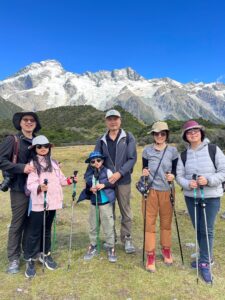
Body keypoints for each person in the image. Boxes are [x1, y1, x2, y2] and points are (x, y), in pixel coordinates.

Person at [176, 120, 225, 284]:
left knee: (207, 229)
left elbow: (223, 171)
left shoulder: (213, 150)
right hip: (192, 196)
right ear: (185, 136)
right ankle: (205, 253)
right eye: (189, 132)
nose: (193, 134)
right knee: (198, 227)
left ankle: (205, 261)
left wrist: (209, 180)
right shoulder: (183, 155)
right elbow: (179, 176)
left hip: (211, 196)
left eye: (195, 131)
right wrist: (187, 184)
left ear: (201, 132)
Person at [24, 135, 77, 278]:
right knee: (34, 232)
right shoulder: (32, 165)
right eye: (39, 146)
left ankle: (45, 254)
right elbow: (30, 185)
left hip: (52, 203)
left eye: (45, 146)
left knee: (46, 230)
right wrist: (39, 187)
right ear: (35, 149)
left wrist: (70, 180)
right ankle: (30, 259)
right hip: (39, 203)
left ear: (49, 147)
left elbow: (61, 180)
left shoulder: (53, 163)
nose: (43, 149)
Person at [0, 111, 41, 274]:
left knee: (32, 222)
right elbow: (1, 160)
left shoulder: (39, 141)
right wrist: (21, 168)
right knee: (18, 223)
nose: (29, 122)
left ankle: (29, 252)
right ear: (20, 123)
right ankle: (13, 258)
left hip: (36, 188)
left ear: (36, 124)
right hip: (19, 188)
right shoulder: (13, 140)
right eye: (26, 120)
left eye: (32, 120)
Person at [95, 109, 137, 253]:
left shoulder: (128, 137)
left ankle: (127, 239)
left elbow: (132, 159)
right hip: (107, 182)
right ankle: (110, 239)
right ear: (106, 121)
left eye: (115, 119)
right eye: (110, 119)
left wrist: (119, 173)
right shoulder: (101, 140)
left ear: (120, 120)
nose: (113, 122)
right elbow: (96, 159)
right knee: (108, 211)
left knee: (125, 210)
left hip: (123, 180)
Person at [141, 121, 178, 272]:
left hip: (167, 191)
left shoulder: (173, 151)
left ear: (166, 135)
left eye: (163, 133)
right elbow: (144, 168)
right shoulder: (147, 150)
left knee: (166, 222)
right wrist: (144, 172)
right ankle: (150, 255)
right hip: (151, 192)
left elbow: (176, 170)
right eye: (157, 133)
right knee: (149, 223)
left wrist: (173, 176)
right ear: (153, 135)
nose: (160, 136)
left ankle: (166, 249)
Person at [78, 151, 117, 263]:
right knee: (93, 225)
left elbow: (113, 183)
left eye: (98, 160)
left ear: (102, 161)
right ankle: (93, 245)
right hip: (93, 203)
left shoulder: (108, 171)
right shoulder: (89, 174)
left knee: (108, 225)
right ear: (90, 163)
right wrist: (91, 189)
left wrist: (103, 185)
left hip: (105, 203)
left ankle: (111, 247)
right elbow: (87, 187)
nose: (96, 163)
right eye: (93, 161)